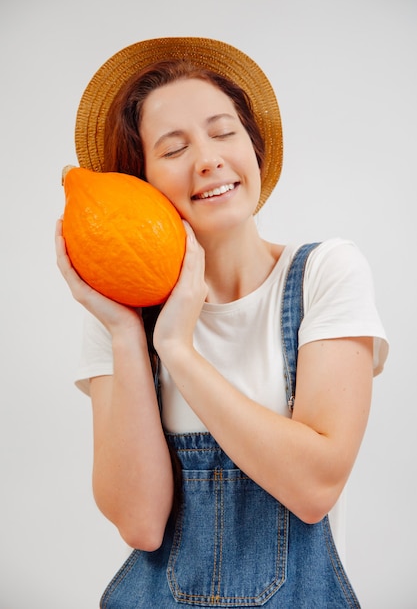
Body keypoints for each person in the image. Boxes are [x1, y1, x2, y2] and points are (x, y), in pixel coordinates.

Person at [55, 37, 388, 608]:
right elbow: (141, 524)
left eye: (222, 131)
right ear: (140, 184)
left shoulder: (324, 274)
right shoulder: (121, 320)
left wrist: (179, 351)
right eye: (174, 147)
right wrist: (126, 333)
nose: (207, 157)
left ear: (253, 146)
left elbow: (314, 488)